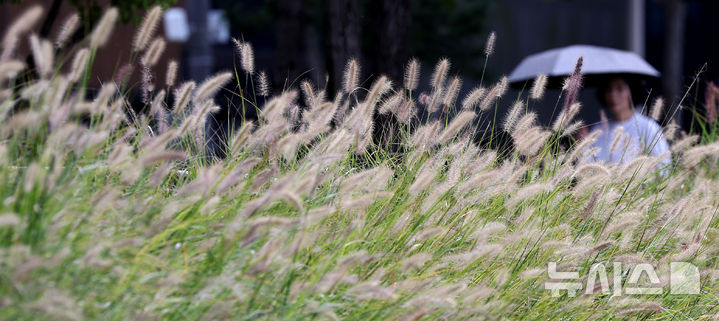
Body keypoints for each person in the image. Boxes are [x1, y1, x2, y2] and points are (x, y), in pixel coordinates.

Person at [586, 75, 671, 169]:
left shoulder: (647, 127)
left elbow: (663, 166)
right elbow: (589, 169)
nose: (613, 95)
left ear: (631, 91)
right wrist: (584, 143)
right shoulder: (598, 130)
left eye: (619, 89)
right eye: (608, 89)